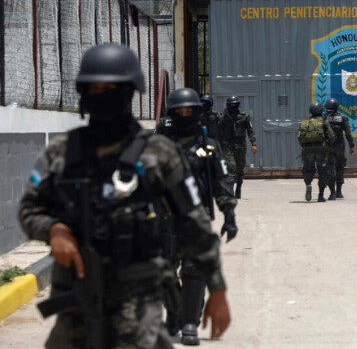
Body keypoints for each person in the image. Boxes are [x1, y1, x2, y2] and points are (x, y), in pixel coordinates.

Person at [17, 43, 230, 348]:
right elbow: (30, 208)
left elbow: (195, 223)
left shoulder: (158, 153)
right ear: (83, 93)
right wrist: (54, 229)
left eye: (112, 88)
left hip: (138, 301)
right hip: (77, 298)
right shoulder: (62, 152)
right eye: (95, 88)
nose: (103, 95)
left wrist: (218, 290)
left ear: (130, 92)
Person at [159, 88, 238, 345]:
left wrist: (229, 214)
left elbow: (221, 181)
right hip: (163, 220)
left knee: (194, 273)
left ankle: (190, 323)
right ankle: (173, 318)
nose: (184, 115)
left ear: (196, 113)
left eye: (189, 111)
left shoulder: (208, 147)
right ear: (171, 114)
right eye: (179, 111)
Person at [219, 96, 257, 199]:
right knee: (231, 167)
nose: (233, 106)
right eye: (231, 105)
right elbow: (219, 133)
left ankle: (238, 188)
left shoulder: (244, 116)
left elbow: (250, 131)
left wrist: (253, 144)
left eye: (235, 104)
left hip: (240, 145)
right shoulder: (223, 117)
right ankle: (230, 190)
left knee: (240, 169)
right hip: (228, 145)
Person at [298, 102, 336, 202]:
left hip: (307, 150)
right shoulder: (323, 121)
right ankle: (320, 195)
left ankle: (308, 184)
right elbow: (331, 136)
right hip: (321, 149)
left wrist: (305, 147)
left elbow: (299, 138)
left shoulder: (304, 122)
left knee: (308, 170)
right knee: (323, 172)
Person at [324, 98, 355, 199]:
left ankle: (332, 192)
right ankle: (339, 192)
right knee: (340, 167)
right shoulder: (343, 118)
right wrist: (351, 145)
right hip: (340, 146)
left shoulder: (323, 118)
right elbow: (348, 133)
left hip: (328, 146)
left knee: (329, 168)